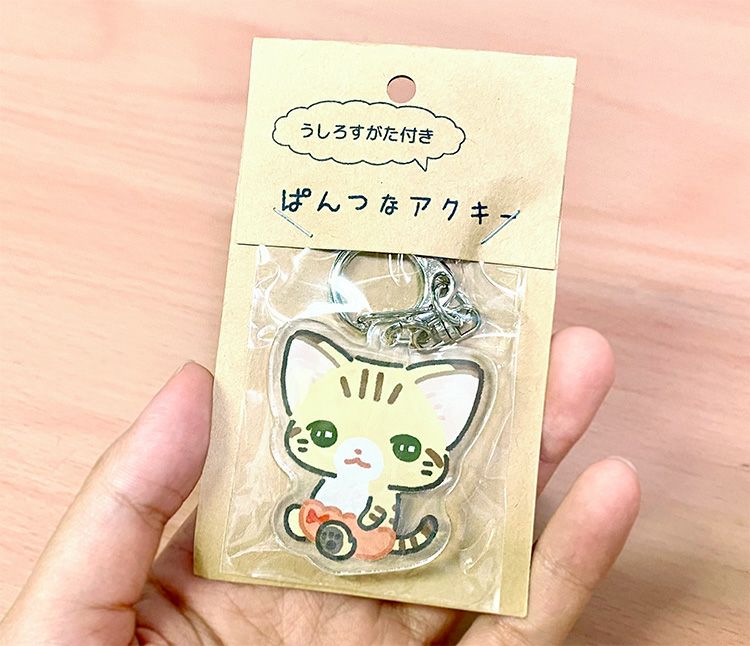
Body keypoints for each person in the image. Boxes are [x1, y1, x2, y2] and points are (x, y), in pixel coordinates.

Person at [0, 327, 639, 644]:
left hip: (373, 531)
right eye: (329, 434)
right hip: (318, 525)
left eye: (404, 447)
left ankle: (387, 535)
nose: (359, 450)